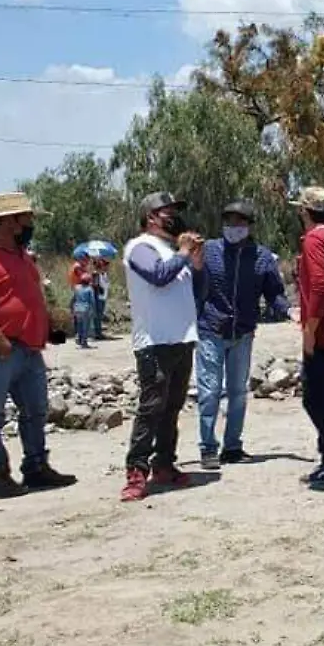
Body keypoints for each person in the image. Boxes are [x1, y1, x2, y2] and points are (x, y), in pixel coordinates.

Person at [0, 193, 78, 500]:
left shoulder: (23, 256)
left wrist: (47, 326)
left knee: (36, 411)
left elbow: (28, 297)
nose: (31, 224)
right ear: (10, 221)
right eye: (27, 218)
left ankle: (36, 466)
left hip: (29, 347)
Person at [193, 199, 290, 470]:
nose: (233, 227)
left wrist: (289, 311)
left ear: (249, 226)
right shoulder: (208, 251)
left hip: (243, 333)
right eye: (229, 222)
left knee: (237, 392)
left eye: (239, 222)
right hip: (211, 330)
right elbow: (193, 284)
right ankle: (208, 447)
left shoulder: (262, 257)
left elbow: (274, 293)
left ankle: (232, 447)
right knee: (210, 391)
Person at [120, 192, 204, 502]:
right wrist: (182, 253)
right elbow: (157, 276)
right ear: (151, 217)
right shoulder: (140, 247)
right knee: (151, 408)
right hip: (154, 342)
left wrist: (196, 262)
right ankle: (136, 470)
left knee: (172, 407)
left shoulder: (173, 252)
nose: (173, 216)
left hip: (182, 338)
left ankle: (164, 463)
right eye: (167, 211)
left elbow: (198, 290)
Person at [292, 186, 324, 489]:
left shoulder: (314, 238)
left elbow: (320, 288)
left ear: (306, 211)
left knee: (316, 399)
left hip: (322, 333)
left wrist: (310, 329)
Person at [70, 273, 95, 349]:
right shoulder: (90, 289)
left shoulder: (76, 288)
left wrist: (71, 307)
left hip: (77, 309)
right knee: (85, 326)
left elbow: (73, 298)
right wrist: (93, 309)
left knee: (79, 326)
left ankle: (79, 339)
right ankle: (84, 342)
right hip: (85, 309)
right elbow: (92, 300)